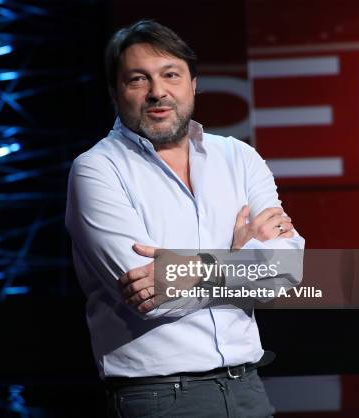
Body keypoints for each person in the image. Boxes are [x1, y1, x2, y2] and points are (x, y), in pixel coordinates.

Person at [65, 19, 304, 417]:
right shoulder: (96, 170)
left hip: (247, 387)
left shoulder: (238, 157)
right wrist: (237, 255)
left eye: (170, 75)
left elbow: (287, 270)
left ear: (193, 83)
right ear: (115, 93)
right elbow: (148, 298)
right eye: (138, 79)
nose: (158, 92)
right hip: (158, 397)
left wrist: (182, 270)